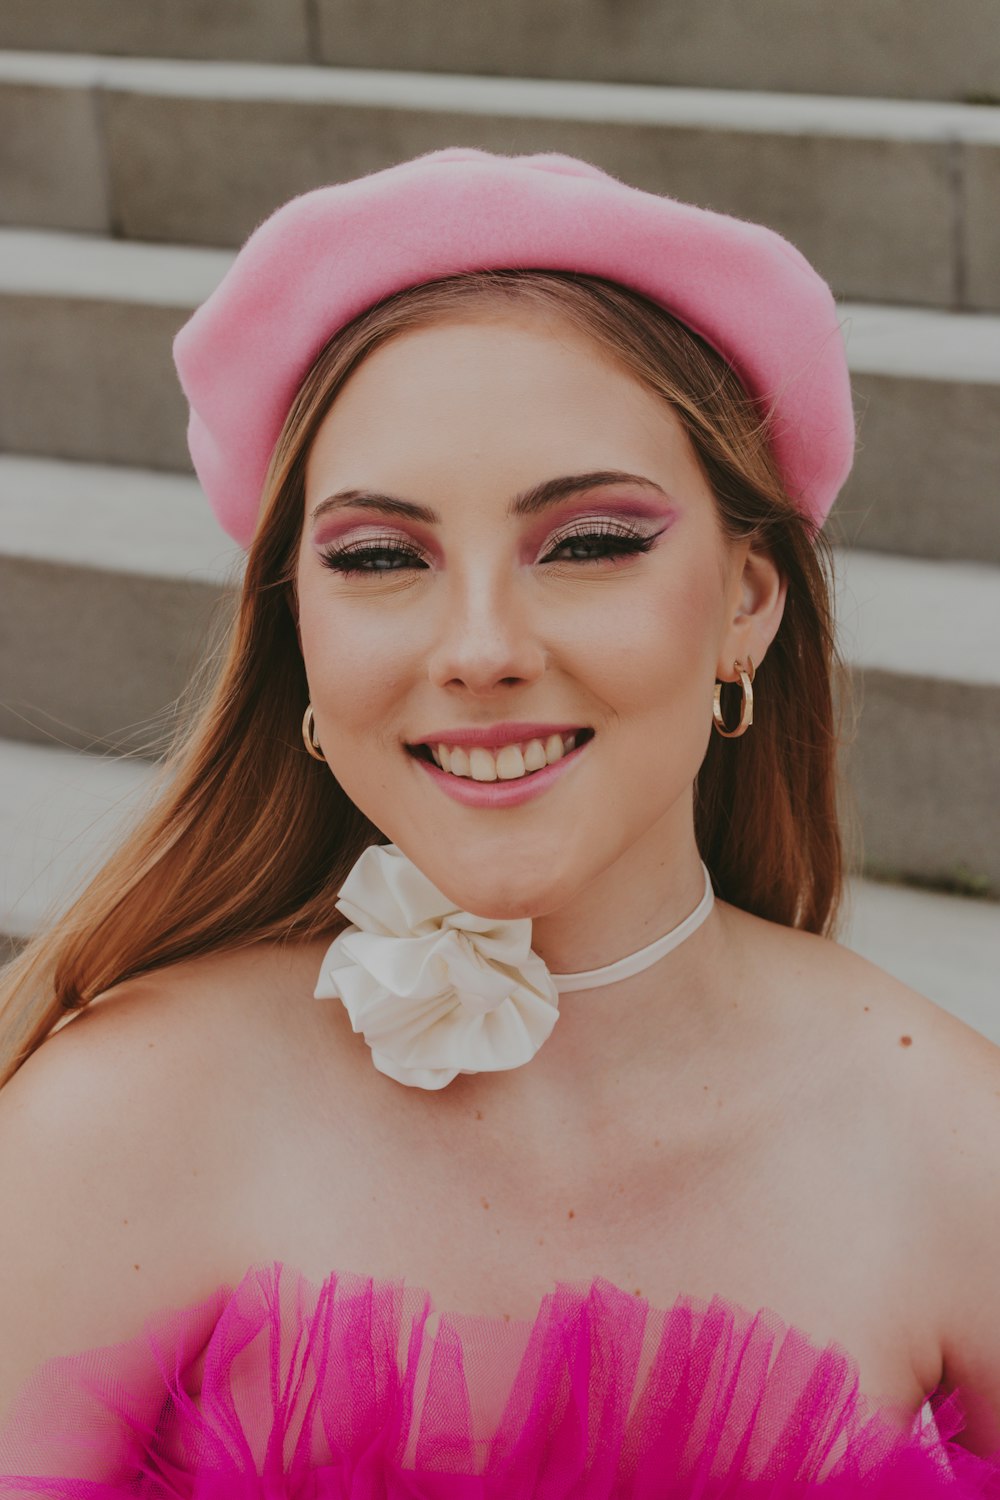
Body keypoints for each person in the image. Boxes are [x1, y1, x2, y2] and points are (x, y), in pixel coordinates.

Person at [0, 146, 999, 1495]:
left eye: (589, 543)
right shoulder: (106, 1124)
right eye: (377, 557)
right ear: (296, 629)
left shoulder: (955, 1151)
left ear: (749, 602)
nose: (479, 649)